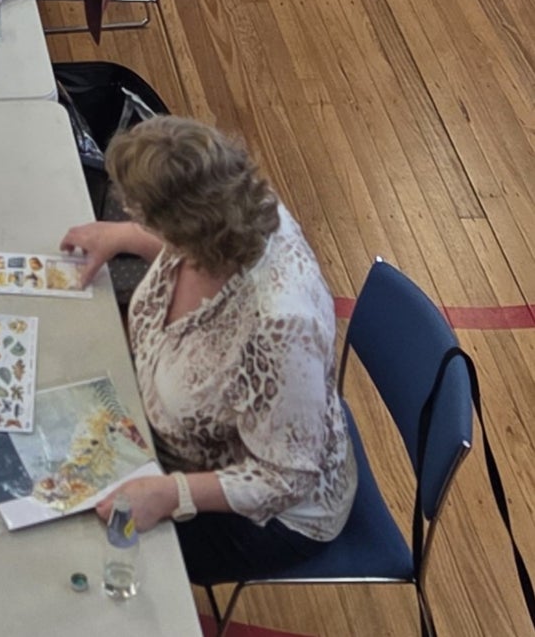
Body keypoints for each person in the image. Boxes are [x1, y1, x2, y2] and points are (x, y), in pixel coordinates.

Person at [59, 117, 357, 585]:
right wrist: (122, 238)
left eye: (138, 217)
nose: (132, 219)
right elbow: (189, 242)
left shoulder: (278, 327)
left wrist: (170, 495)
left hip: (266, 515)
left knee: (75, 554)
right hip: (176, 444)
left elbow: (286, 478)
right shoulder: (229, 214)